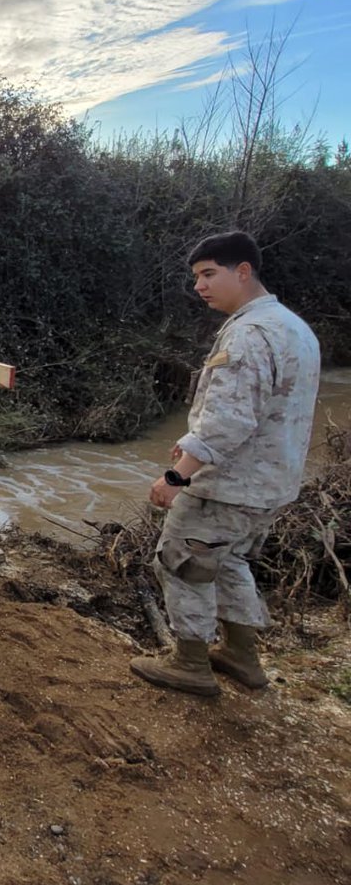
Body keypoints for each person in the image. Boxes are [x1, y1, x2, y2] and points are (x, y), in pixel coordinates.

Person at [130, 231, 320, 697]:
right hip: (271, 483)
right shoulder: (293, 327)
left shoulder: (249, 334)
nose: (199, 286)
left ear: (243, 271)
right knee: (229, 560)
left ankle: (191, 663)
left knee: (181, 561)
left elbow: (229, 421)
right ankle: (241, 655)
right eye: (197, 276)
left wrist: (178, 475)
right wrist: (192, 448)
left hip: (228, 485)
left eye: (209, 274)